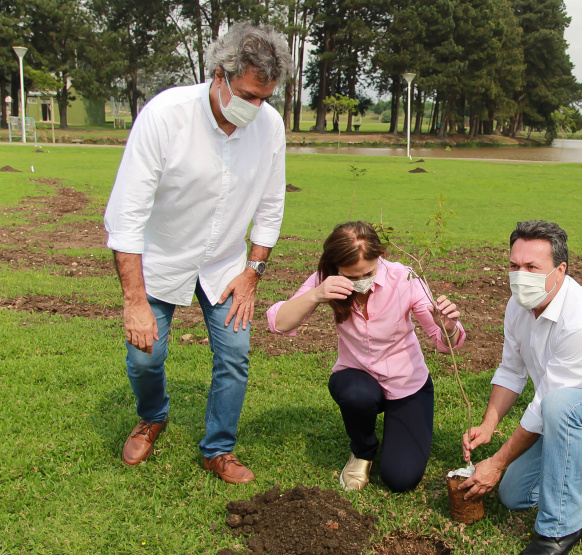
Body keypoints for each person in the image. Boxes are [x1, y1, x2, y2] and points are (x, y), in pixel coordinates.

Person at [103, 23, 292, 484]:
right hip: (163, 259)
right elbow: (125, 216)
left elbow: (270, 206)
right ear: (218, 74)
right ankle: (152, 416)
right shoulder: (165, 116)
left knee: (235, 353)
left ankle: (218, 448)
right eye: (247, 95)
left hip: (225, 264)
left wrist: (253, 271)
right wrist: (134, 301)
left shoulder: (269, 127)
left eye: (264, 98)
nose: (255, 108)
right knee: (145, 357)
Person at [459, 220, 582, 555]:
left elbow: (548, 402)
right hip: (565, 411)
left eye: (532, 267)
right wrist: (488, 425)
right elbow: (511, 370)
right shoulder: (517, 306)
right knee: (513, 494)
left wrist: (497, 462)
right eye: (514, 266)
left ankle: (560, 530)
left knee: (559, 407)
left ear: (560, 270)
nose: (520, 276)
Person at [265, 221, 465, 493]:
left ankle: (397, 436)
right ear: (336, 268)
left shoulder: (403, 278)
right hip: (358, 379)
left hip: (407, 384)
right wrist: (316, 294)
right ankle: (362, 450)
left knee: (400, 479)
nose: (361, 282)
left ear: (379, 256)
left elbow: (444, 343)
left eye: (368, 273)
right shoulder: (326, 280)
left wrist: (448, 327)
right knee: (354, 392)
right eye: (351, 276)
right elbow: (280, 323)